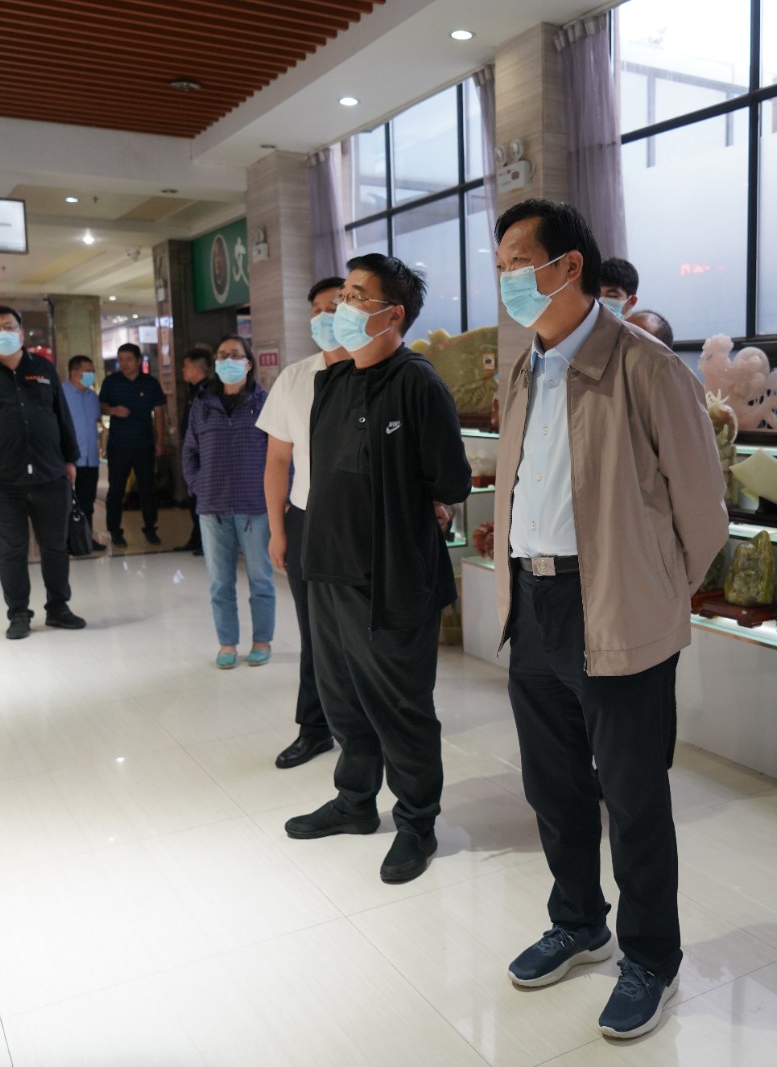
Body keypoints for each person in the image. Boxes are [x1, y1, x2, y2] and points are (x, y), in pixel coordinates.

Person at [491, 199, 727, 1039]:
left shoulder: (646, 366)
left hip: (617, 605)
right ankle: (579, 922)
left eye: (519, 262)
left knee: (632, 797)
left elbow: (703, 512)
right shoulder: (524, 368)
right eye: (500, 265)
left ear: (570, 267)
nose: (508, 279)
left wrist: (654, 590)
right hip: (533, 602)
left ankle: (651, 956)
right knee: (552, 786)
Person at [282, 253, 470, 887]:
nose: (341, 307)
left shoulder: (418, 383)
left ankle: (417, 822)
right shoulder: (332, 383)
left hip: (391, 579)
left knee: (400, 708)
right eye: (343, 295)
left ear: (393, 315)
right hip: (327, 568)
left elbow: (451, 480)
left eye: (356, 296)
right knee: (342, 701)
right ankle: (355, 801)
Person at [0, 305, 86, 641]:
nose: (3, 333)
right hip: (0, 480)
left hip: (50, 475)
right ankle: (19, 614)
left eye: (9, 326)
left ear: (22, 332)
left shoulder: (43, 368)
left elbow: (62, 417)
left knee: (55, 546)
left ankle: (58, 608)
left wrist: (70, 461)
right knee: (12, 549)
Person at [261, 276, 347, 769]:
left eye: (334, 305)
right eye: (316, 309)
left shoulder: (379, 373)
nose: (323, 316)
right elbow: (277, 461)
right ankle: (315, 728)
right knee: (314, 632)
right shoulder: (295, 378)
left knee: (363, 632)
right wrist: (278, 530)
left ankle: (368, 725)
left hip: (361, 522)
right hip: (307, 520)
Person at [182, 335, 275, 669]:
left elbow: (282, 454)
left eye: (235, 355)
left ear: (248, 363)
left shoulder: (264, 402)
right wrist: (198, 485)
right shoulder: (202, 404)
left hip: (255, 506)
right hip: (213, 507)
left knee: (260, 579)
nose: (227, 360)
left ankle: (262, 641)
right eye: (221, 355)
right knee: (220, 583)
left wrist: (279, 496)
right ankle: (227, 643)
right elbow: (189, 452)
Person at [99, 341, 165, 547]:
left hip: (144, 444)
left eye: (128, 359)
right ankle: (115, 531)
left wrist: (160, 441)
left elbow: (159, 413)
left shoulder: (150, 383)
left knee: (148, 489)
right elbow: (101, 406)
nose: (124, 364)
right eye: (121, 360)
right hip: (118, 445)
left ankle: (150, 528)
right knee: (116, 490)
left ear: (138, 361)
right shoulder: (111, 382)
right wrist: (114, 411)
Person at [173, 346, 213, 555]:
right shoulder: (193, 391)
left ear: (197, 369)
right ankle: (196, 538)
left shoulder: (207, 392)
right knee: (192, 496)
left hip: (202, 452)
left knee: (200, 496)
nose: (183, 370)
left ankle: (204, 541)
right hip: (192, 452)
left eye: (186, 367)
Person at [62, 354, 104, 544]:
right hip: (68, 459)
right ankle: (66, 540)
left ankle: (86, 539)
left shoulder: (92, 397)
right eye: (87, 372)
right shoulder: (60, 394)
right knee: (65, 502)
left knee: (87, 502)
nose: (91, 376)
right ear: (73, 373)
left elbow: (97, 422)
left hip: (90, 459)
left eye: (92, 372)